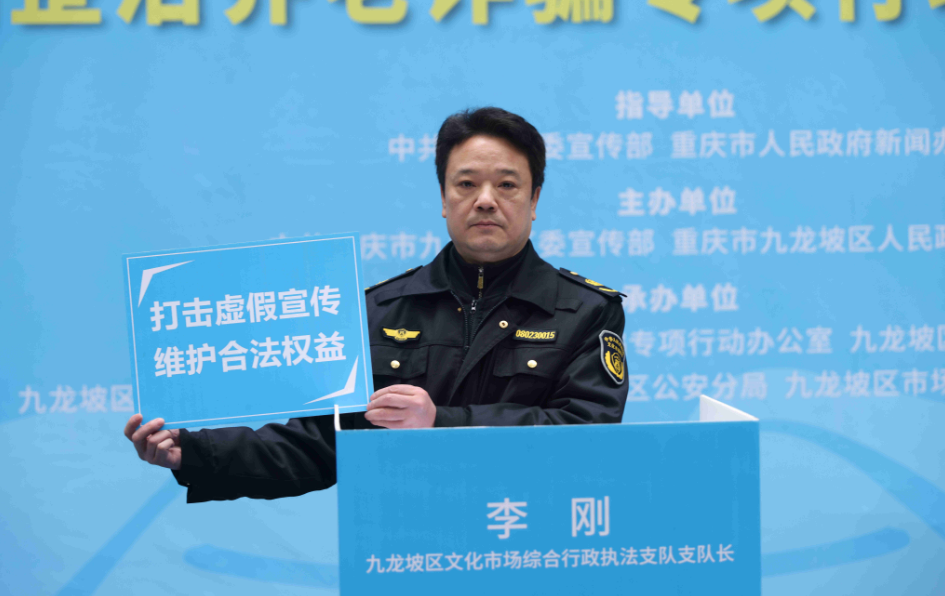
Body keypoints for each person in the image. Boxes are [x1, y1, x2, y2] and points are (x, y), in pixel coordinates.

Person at [124, 107, 629, 503]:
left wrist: (441, 422)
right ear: (443, 198)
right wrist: (192, 452)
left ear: (535, 199)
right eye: (466, 184)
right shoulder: (381, 310)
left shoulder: (585, 311)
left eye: (507, 185)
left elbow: (588, 435)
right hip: (403, 547)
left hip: (529, 538)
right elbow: (317, 447)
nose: (485, 199)